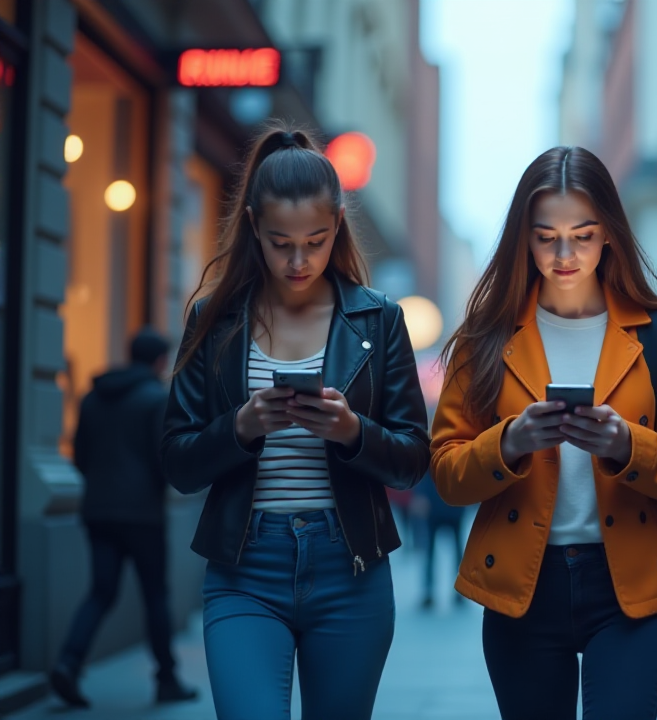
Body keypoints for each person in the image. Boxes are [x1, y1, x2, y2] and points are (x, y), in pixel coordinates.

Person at [430, 146, 657, 720]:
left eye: (582, 235)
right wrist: (508, 442)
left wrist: (625, 445)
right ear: (523, 238)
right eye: (546, 237)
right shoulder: (486, 333)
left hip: (630, 583)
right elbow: (446, 474)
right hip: (522, 588)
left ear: (609, 233)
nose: (564, 254)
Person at [161, 123, 430, 720]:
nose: (300, 260)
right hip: (244, 567)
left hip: (350, 568)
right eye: (281, 242)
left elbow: (415, 457)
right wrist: (242, 425)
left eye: (316, 239)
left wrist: (352, 432)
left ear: (337, 222)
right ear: (254, 225)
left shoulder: (378, 319)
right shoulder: (216, 320)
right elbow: (177, 461)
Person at [49, 328, 198, 708]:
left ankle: (68, 663)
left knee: (101, 591)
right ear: (160, 360)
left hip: (97, 509)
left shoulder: (91, 398)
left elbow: (80, 455)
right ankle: (166, 679)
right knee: (155, 595)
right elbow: (159, 457)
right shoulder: (153, 399)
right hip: (141, 513)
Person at [408, 469, 466, 609]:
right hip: (443, 506)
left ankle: (451, 591)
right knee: (439, 552)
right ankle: (432, 591)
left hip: (445, 506)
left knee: (443, 552)